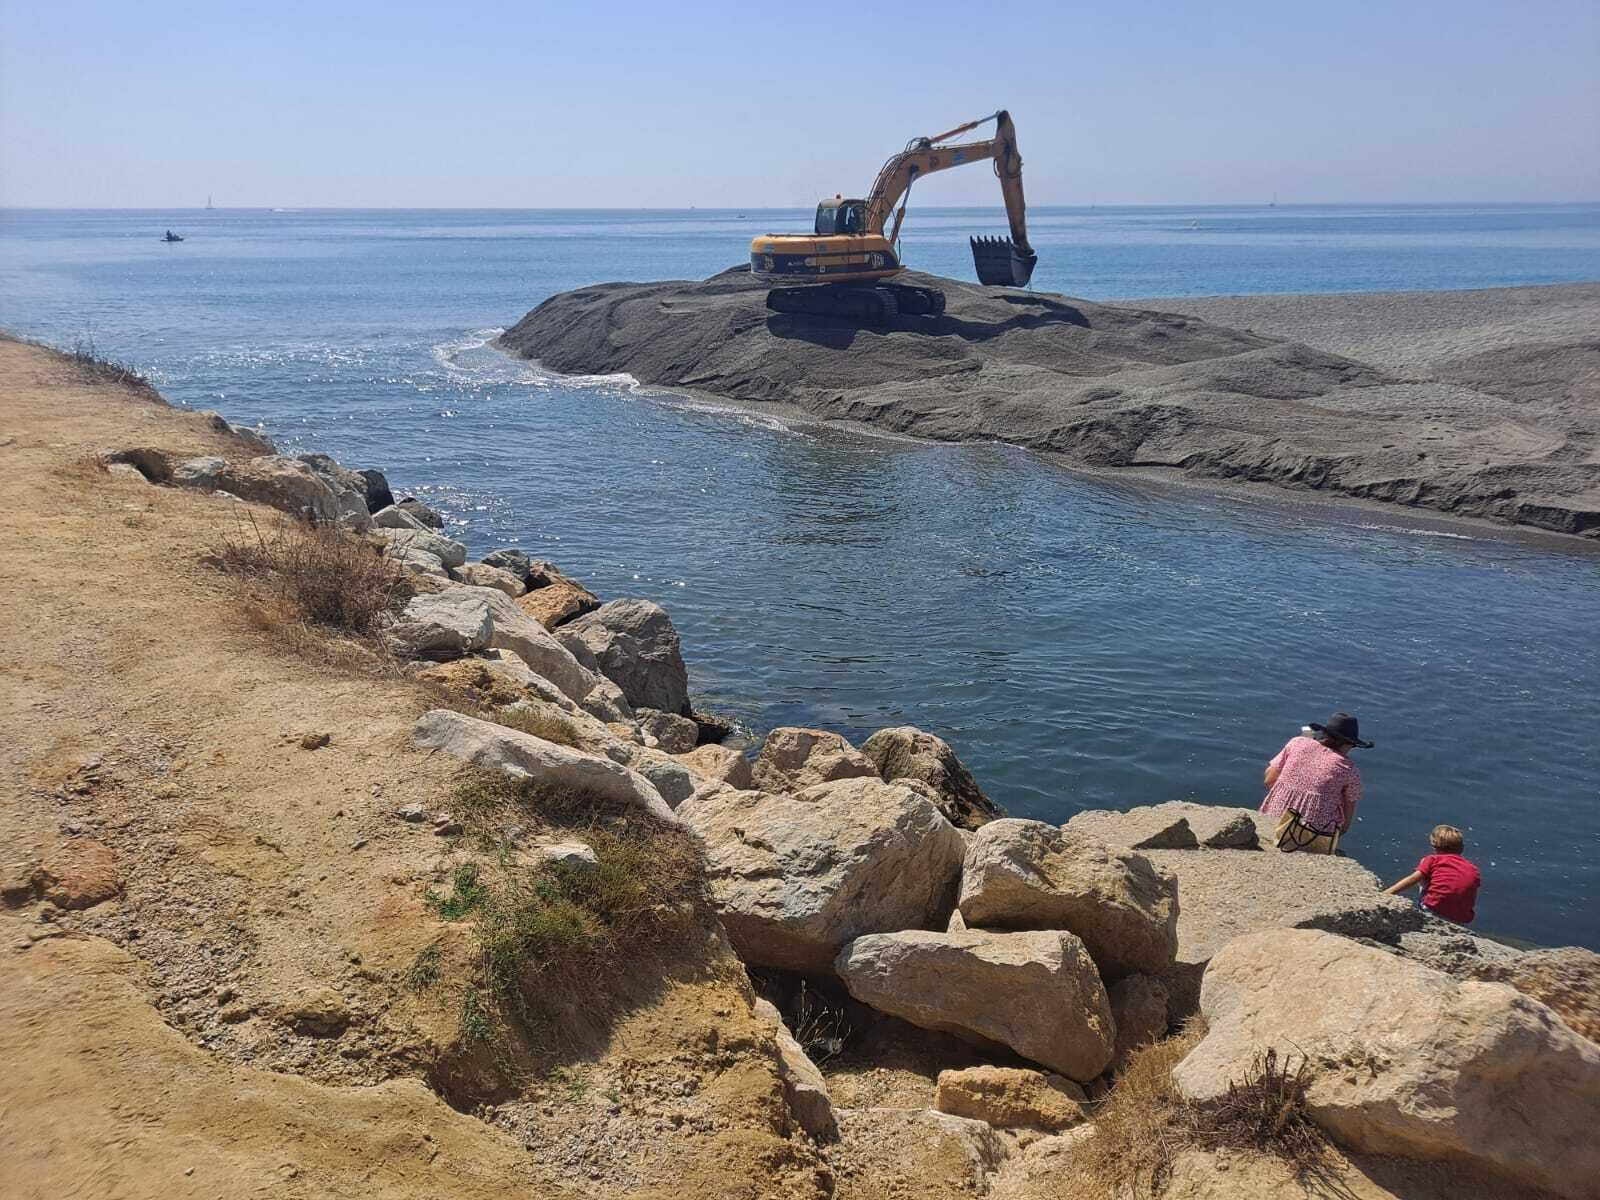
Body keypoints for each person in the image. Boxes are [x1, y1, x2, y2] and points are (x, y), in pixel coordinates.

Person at [1259, 711, 1372, 853]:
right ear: (1347, 744)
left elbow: (1269, 779)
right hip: (1308, 837)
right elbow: (1344, 826)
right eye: (1352, 745)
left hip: (1271, 821)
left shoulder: (1297, 743)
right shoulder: (1349, 770)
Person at [1384, 824, 1481, 925]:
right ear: (1461, 847)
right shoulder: (1473, 868)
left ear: (1434, 844)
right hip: (1461, 918)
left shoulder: (1433, 859)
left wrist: (1387, 893)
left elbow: (1413, 879)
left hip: (1433, 909)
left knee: (1423, 869)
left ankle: (1425, 908)